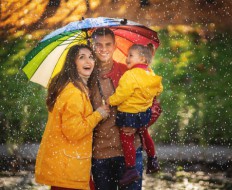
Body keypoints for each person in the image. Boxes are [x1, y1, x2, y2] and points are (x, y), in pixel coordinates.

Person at [35, 44, 110, 190]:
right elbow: (74, 132)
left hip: (70, 167)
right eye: (81, 57)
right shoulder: (73, 93)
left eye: (91, 57)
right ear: (73, 63)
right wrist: (98, 114)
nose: (88, 61)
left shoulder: (77, 89)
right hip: (68, 170)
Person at [89, 28, 145, 190]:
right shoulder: (86, 76)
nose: (104, 49)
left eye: (108, 44)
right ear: (92, 46)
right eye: (98, 45)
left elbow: (153, 106)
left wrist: (137, 124)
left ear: (114, 46)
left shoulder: (130, 72)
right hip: (100, 154)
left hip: (130, 153)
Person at [108, 43, 163, 186]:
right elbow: (159, 89)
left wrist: (110, 101)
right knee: (145, 134)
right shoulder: (150, 73)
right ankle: (152, 158)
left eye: (131, 55)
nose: (127, 58)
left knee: (127, 139)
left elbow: (122, 94)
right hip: (144, 113)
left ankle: (131, 168)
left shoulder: (130, 75)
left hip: (129, 113)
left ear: (143, 59)